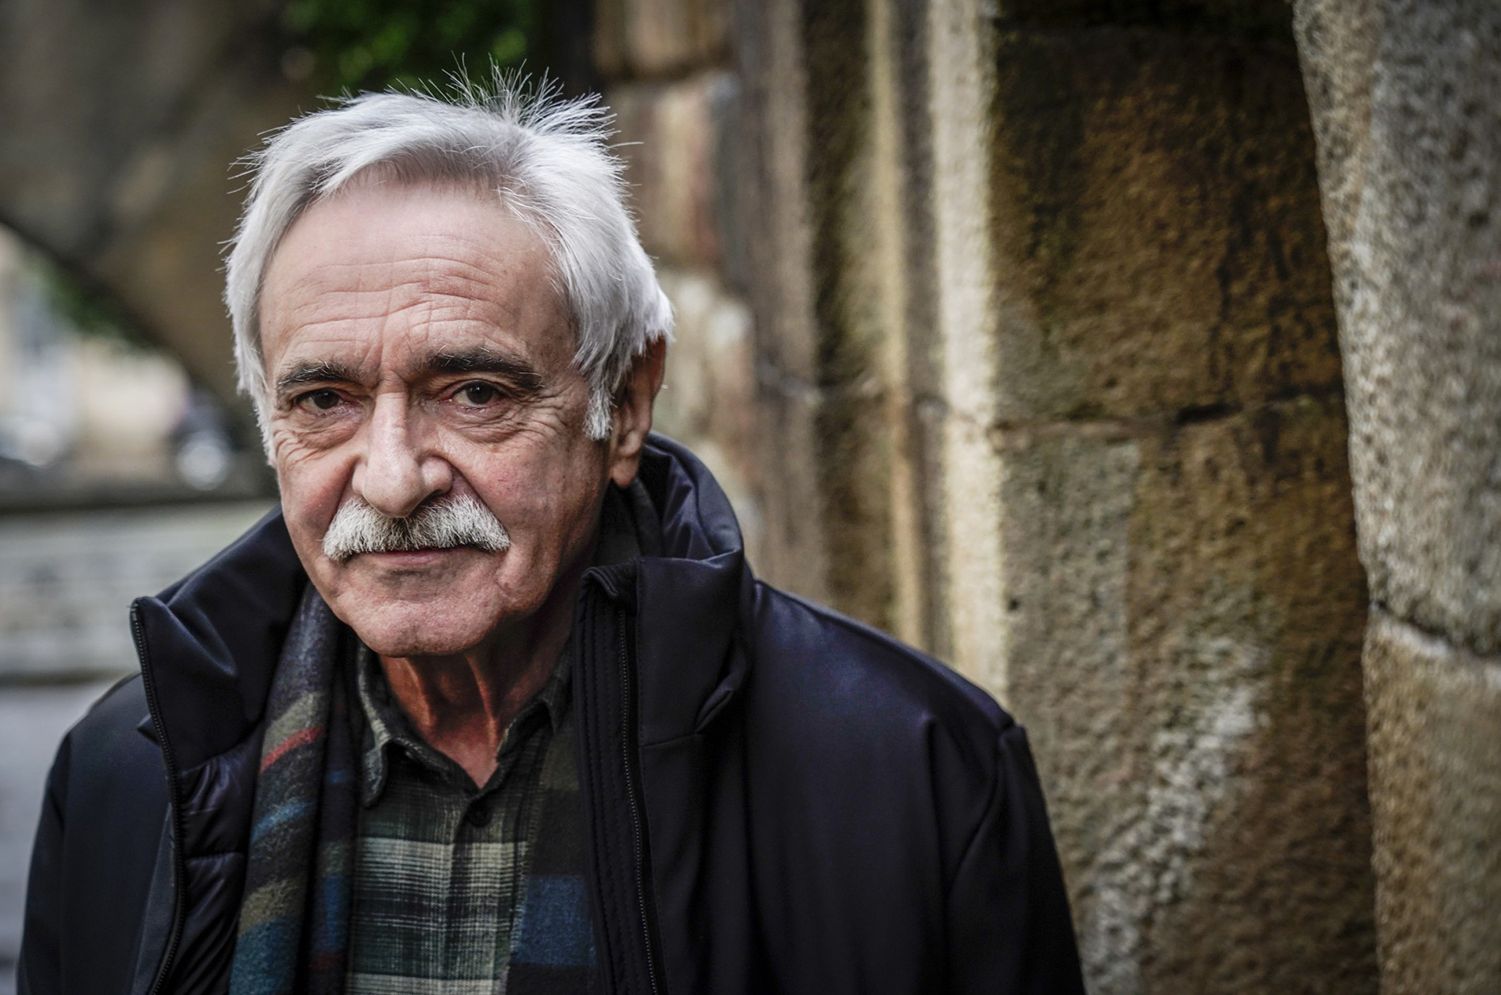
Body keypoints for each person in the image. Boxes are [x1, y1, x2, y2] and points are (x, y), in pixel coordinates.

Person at [19, 77, 1084, 995]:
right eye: (324, 401)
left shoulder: (914, 776)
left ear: (625, 402)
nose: (390, 479)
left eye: (475, 392)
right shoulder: (128, 779)